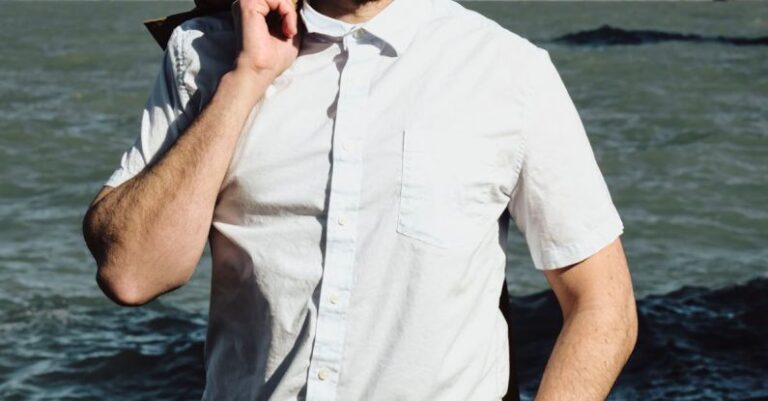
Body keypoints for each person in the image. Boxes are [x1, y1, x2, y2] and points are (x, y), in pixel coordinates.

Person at [82, 0, 638, 400]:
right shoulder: (208, 52)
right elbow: (133, 274)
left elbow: (602, 304)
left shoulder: (507, 70)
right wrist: (246, 80)